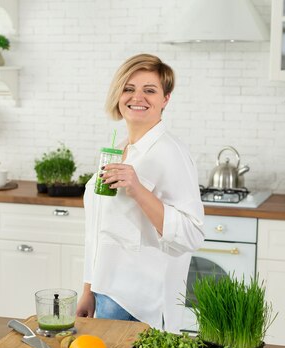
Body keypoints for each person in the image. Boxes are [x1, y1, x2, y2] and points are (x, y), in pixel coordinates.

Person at [76, 53, 205, 332]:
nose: (138, 97)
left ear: (165, 99)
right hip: (106, 294)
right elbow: (99, 229)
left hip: (139, 303)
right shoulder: (121, 148)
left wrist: (138, 190)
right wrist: (89, 289)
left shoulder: (170, 152)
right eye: (129, 88)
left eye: (150, 90)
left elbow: (191, 234)